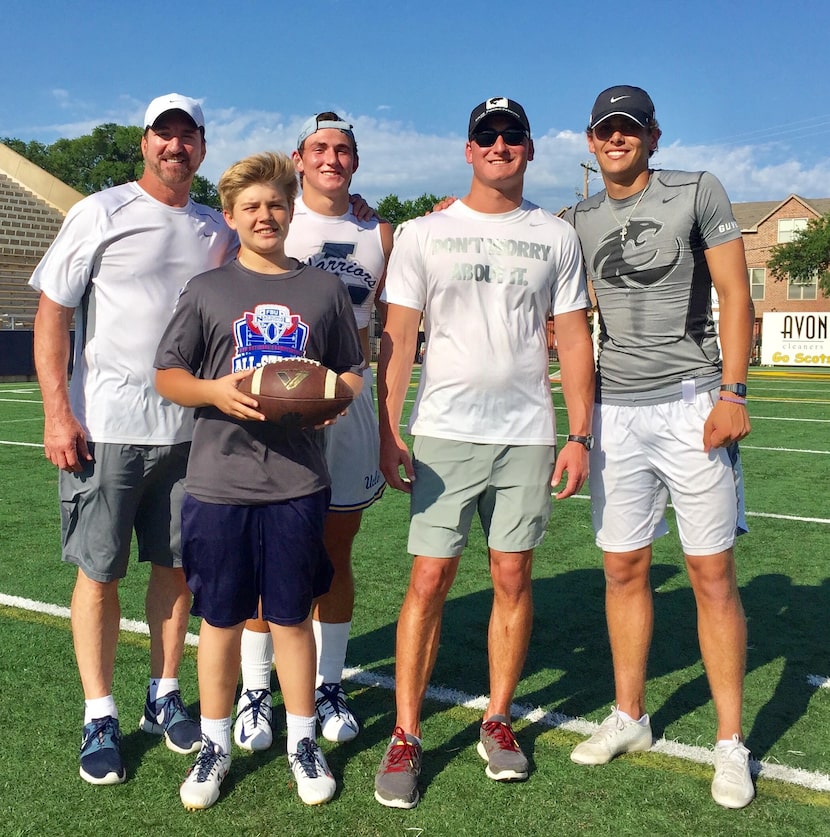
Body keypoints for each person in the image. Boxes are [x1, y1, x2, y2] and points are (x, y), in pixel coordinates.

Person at [373, 96, 596, 809]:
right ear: (468, 150)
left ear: (529, 150)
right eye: (486, 136)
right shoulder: (422, 233)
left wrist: (580, 432)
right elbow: (399, 337)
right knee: (430, 579)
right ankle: (405, 732)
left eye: (512, 136)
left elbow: (571, 338)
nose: (500, 145)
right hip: (444, 431)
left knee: (511, 574)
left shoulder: (556, 237)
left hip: (528, 432)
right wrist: (387, 424)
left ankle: (496, 718)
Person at [29, 94, 238, 786]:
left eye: (188, 136)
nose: (175, 146)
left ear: (202, 149)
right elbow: (53, 310)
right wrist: (59, 413)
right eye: (164, 134)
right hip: (109, 429)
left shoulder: (215, 228)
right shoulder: (101, 211)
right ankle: (97, 711)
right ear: (145, 144)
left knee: (175, 569)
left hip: (190, 432)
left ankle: (163, 693)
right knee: (100, 571)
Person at [563, 85, 755, 810]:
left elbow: (737, 295)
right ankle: (629, 715)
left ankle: (730, 743)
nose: (617, 139)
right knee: (623, 568)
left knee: (711, 574)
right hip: (616, 409)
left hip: (691, 402)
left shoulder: (697, 190)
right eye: (606, 130)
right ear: (590, 141)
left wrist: (734, 392)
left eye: (630, 128)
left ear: (652, 135)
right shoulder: (577, 217)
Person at [154, 151, 365, 809]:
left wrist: (335, 397)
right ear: (232, 217)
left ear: (290, 207)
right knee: (219, 619)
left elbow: (352, 368)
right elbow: (168, 373)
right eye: (251, 207)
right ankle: (215, 743)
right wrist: (215, 390)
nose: (265, 215)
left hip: (299, 481)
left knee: (292, 617)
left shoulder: (323, 290)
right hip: (219, 483)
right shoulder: (209, 289)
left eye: (275, 203)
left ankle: (302, 738)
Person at [232, 114, 393, 751]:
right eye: (320, 148)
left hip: (346, 403)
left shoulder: (382, 231)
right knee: (263, 552)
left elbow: (392, 325)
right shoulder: (276, 217)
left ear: (356, 161)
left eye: (344, 149)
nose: (332, 158)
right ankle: (254, 689)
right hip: (273, 410)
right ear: (299, 158)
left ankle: (328, 682)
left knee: (334, 550)